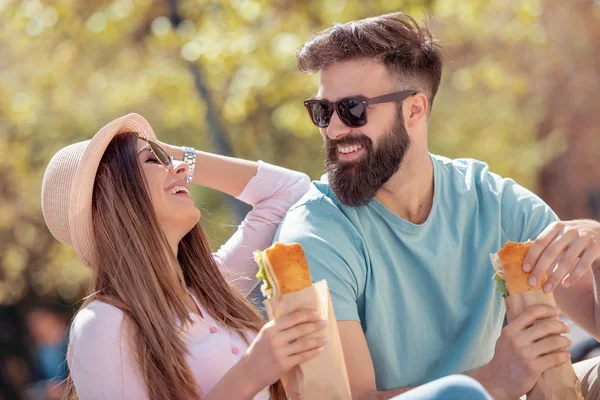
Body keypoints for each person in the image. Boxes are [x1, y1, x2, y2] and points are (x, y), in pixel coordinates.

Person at [274, 12, 600, 400]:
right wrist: (493, 381)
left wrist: (598, 247)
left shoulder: (492, 201)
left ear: (414, 109)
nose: (333, 129)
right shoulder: (316, 234)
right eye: (322, 111)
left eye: (353, 109)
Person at [41, 113, 327, 399]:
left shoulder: (212, 290)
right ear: (114, 193)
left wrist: (165, 154)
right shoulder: (102, 324)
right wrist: (250, 373)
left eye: (172, 159)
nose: (181, 168)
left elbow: (289, 191)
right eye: (154, 159)